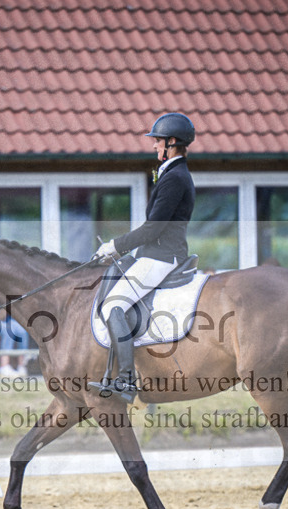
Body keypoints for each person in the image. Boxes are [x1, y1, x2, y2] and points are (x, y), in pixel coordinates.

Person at [91, 113, 196, 401]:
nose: (154, 146)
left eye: (158, 141)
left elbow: (153, 229)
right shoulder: (171, 173)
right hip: (156, 253)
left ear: (171, 143)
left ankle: (126, 380)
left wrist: (115, 246)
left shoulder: (175, 177)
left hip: (162, 256)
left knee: (113, 306)